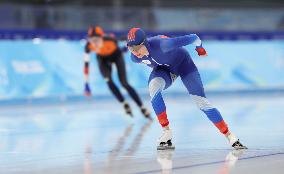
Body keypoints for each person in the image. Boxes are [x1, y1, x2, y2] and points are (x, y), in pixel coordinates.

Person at [126, 28, 247, 150]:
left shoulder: (164, 45)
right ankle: (166, 132)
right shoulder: (135, 58)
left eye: (136, 48)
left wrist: (200, 49)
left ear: (145, 43)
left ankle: (230, 136)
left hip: (184, 65)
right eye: (131, 48)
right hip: (164, 70)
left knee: (201, 102)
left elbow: (194, 37)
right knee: (153, 88)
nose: (135, 52)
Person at [83, 26, 151, 119]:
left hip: (116, 56)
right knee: (108, 80)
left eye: (96, 40)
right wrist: (86, 83)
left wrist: (124, 50)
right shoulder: (88, 46)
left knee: (124, 83)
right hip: (102, 59)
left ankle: (141, 106)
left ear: (102, 37)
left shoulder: (110, 39)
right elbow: (86, 64)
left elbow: (126, 40)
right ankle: (124, 103)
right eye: (92, 40)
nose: (94, 43)